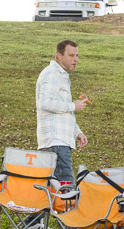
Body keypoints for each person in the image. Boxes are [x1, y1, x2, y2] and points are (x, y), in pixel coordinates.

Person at [35, 39, 88, 184]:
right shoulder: (52, 74)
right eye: (71, 55)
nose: (75, 59)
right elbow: (45, 103)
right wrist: (73, 106)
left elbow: (62, 109)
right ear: (59, 56)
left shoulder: (61, 75)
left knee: (56, 192)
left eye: (77, 56)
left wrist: (77, 132)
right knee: (66, 191)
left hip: (60, 141)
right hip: (56, 142)